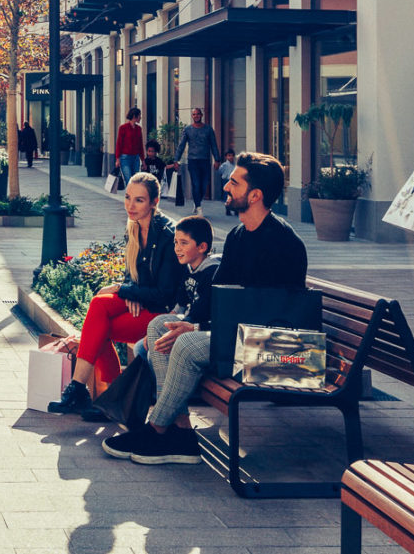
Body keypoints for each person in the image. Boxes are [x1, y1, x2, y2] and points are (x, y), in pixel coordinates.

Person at [104, 152, 307, 465]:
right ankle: (182, 432)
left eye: (234, 183)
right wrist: (190, 322)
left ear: (254, 195)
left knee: (185, 342)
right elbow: (217, 294)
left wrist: (197, 329)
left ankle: (156, 429)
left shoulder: (282, 243)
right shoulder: (240, 235)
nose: (225, 186)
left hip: (280, 350)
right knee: (161, 327)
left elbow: (265, 312)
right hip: (242, 337)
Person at [48, 174, 180, 418]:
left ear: (155, 202)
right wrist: (128, 289)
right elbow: (132, 275)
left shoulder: (167, 234)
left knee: (99, 325)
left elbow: (165, 295)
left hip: (163, 314)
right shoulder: (134, 227)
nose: (130, 205)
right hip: (141, 303)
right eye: (128, 197)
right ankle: (102, 397)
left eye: (139, 200)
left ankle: (90, 393)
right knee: (99, 309)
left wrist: (123, 290)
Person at [176, 108, 218, 215]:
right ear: (192, 116)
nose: (196, 116)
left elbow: (213, 145)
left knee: (204, 185)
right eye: (194, 114)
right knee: (196, 183)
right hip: (193, 160)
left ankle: (197, 202)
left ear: (201, 115)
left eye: (198, 114)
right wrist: (176, 159)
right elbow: (181, 145)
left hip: (205, 160)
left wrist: (217, 159)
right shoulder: (187, 129)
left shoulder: (208, 129)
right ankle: (199, 208)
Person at [115, 107, 144, 187]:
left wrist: (143, 160)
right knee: (129, 180)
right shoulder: (123, 128)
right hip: (125, 158)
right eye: (139, 115)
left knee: (135, 181)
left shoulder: (139, 129)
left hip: (136, 158)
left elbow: (140, 145)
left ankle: (132, 198)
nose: (140, 117)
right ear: (135, 116)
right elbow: (119, 144)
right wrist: (117, 159)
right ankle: (131, 198)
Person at [218, 149, 238, 214]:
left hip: (234, 181)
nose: (231, 157)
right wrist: (224, 175)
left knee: (234, 195)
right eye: (229, 156)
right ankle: (228, 209)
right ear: (226, 157)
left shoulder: (235, 165)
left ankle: (235, 209)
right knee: (227, 195)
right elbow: (220, 171)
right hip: (226, 180)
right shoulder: (224, 165)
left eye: (232, 156)